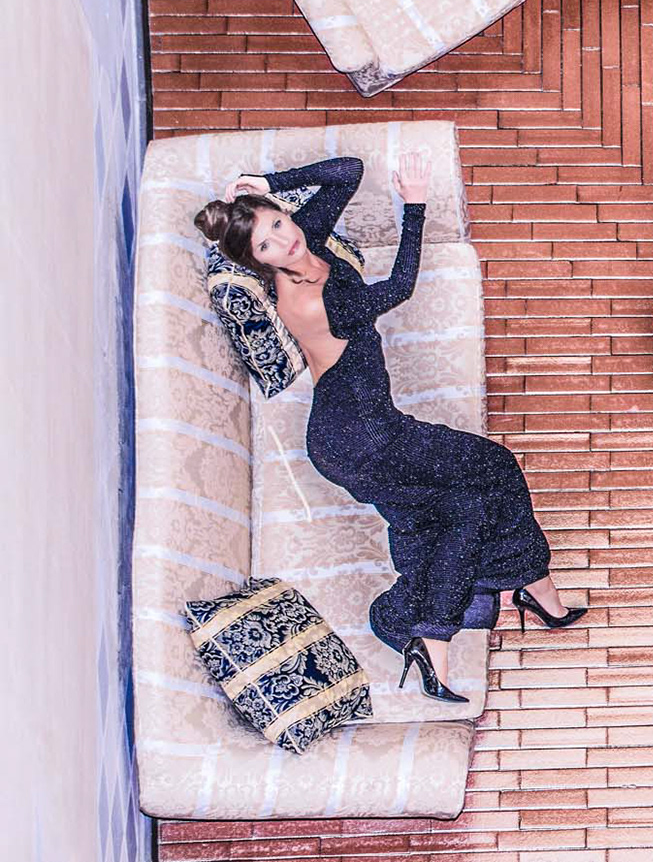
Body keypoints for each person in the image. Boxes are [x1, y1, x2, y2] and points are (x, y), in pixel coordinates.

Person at [196, 154, 584, 704]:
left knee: (483, 478)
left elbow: (347, 171)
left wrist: (268, 183)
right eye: (266, 245)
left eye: (279, 223)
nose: (284, 240)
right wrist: (414, 206)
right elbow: (399, 287)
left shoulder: (308, 246)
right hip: (359, 441)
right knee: (468, 505)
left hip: (367, 424)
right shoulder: (316, 297)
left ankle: (525, 586)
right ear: (259, 263)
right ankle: (426, 626)